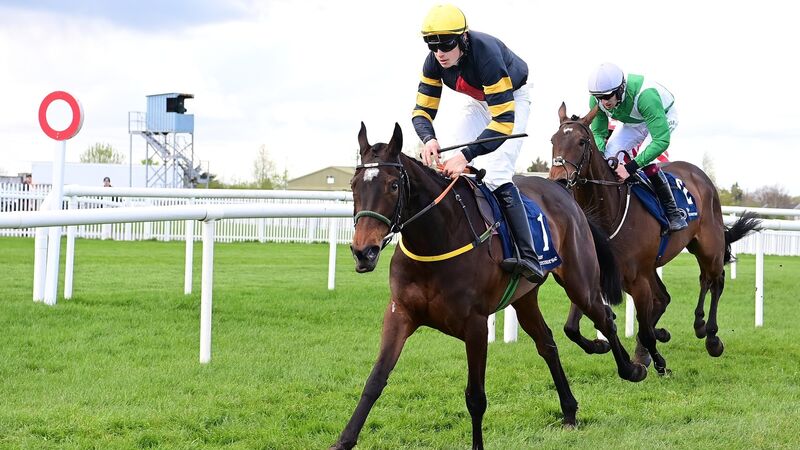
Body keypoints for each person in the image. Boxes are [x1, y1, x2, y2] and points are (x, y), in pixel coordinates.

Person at [413, 4, 543, 283]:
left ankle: (528, 255)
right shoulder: (433, 62)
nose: (439, 53)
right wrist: (428, 138)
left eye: (446, 45)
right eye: (432, 46)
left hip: (511, 101)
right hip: (480, 102)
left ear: (463, 38)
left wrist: (467, 154)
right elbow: (421, 111)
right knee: (447, 165)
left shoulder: (486, 55)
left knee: (496, 172)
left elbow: (503, 123)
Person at [587, 62, 688, 232]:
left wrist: (629, 168)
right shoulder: (597, 100)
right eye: (599, 97)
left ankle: (673, 213)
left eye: (607, 96)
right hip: (634, 122)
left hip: (661, 115)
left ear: (620, 89)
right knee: (609, 155)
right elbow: (598, 132)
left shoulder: (646, 96)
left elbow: (661, 141)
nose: (603, 102)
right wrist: (602, 154)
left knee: (645, 157)